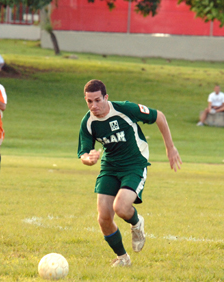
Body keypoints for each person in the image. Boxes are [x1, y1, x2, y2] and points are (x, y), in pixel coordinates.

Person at [78, 79, 182, 267]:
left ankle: (136, 222)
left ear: (106, 97)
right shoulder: (88, 122)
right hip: (110, 167)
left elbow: (159, 116)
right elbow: (83, 153)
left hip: (134, 163)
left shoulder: (124, 109)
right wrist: (89, 159)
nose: (94, 105)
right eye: (89, 101)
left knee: (121, 208)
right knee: (103, 217)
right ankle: (123, 258)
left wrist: (170, 147)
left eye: (98, 100)